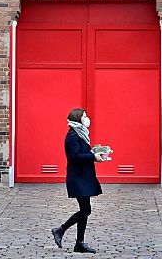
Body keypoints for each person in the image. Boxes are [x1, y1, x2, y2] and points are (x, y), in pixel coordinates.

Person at [51, 108, 106, 253]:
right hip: (78, 177)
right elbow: (75, 156)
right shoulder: (72, 136)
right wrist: (92, 157)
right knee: (86, 209)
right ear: (78, 119)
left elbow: (83, 153)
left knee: (84, 210)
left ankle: (79, 243)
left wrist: (96, 152)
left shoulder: (80, 134)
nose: (87, 118)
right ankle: (60, 229)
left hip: (84, 176)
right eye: (84, 116)